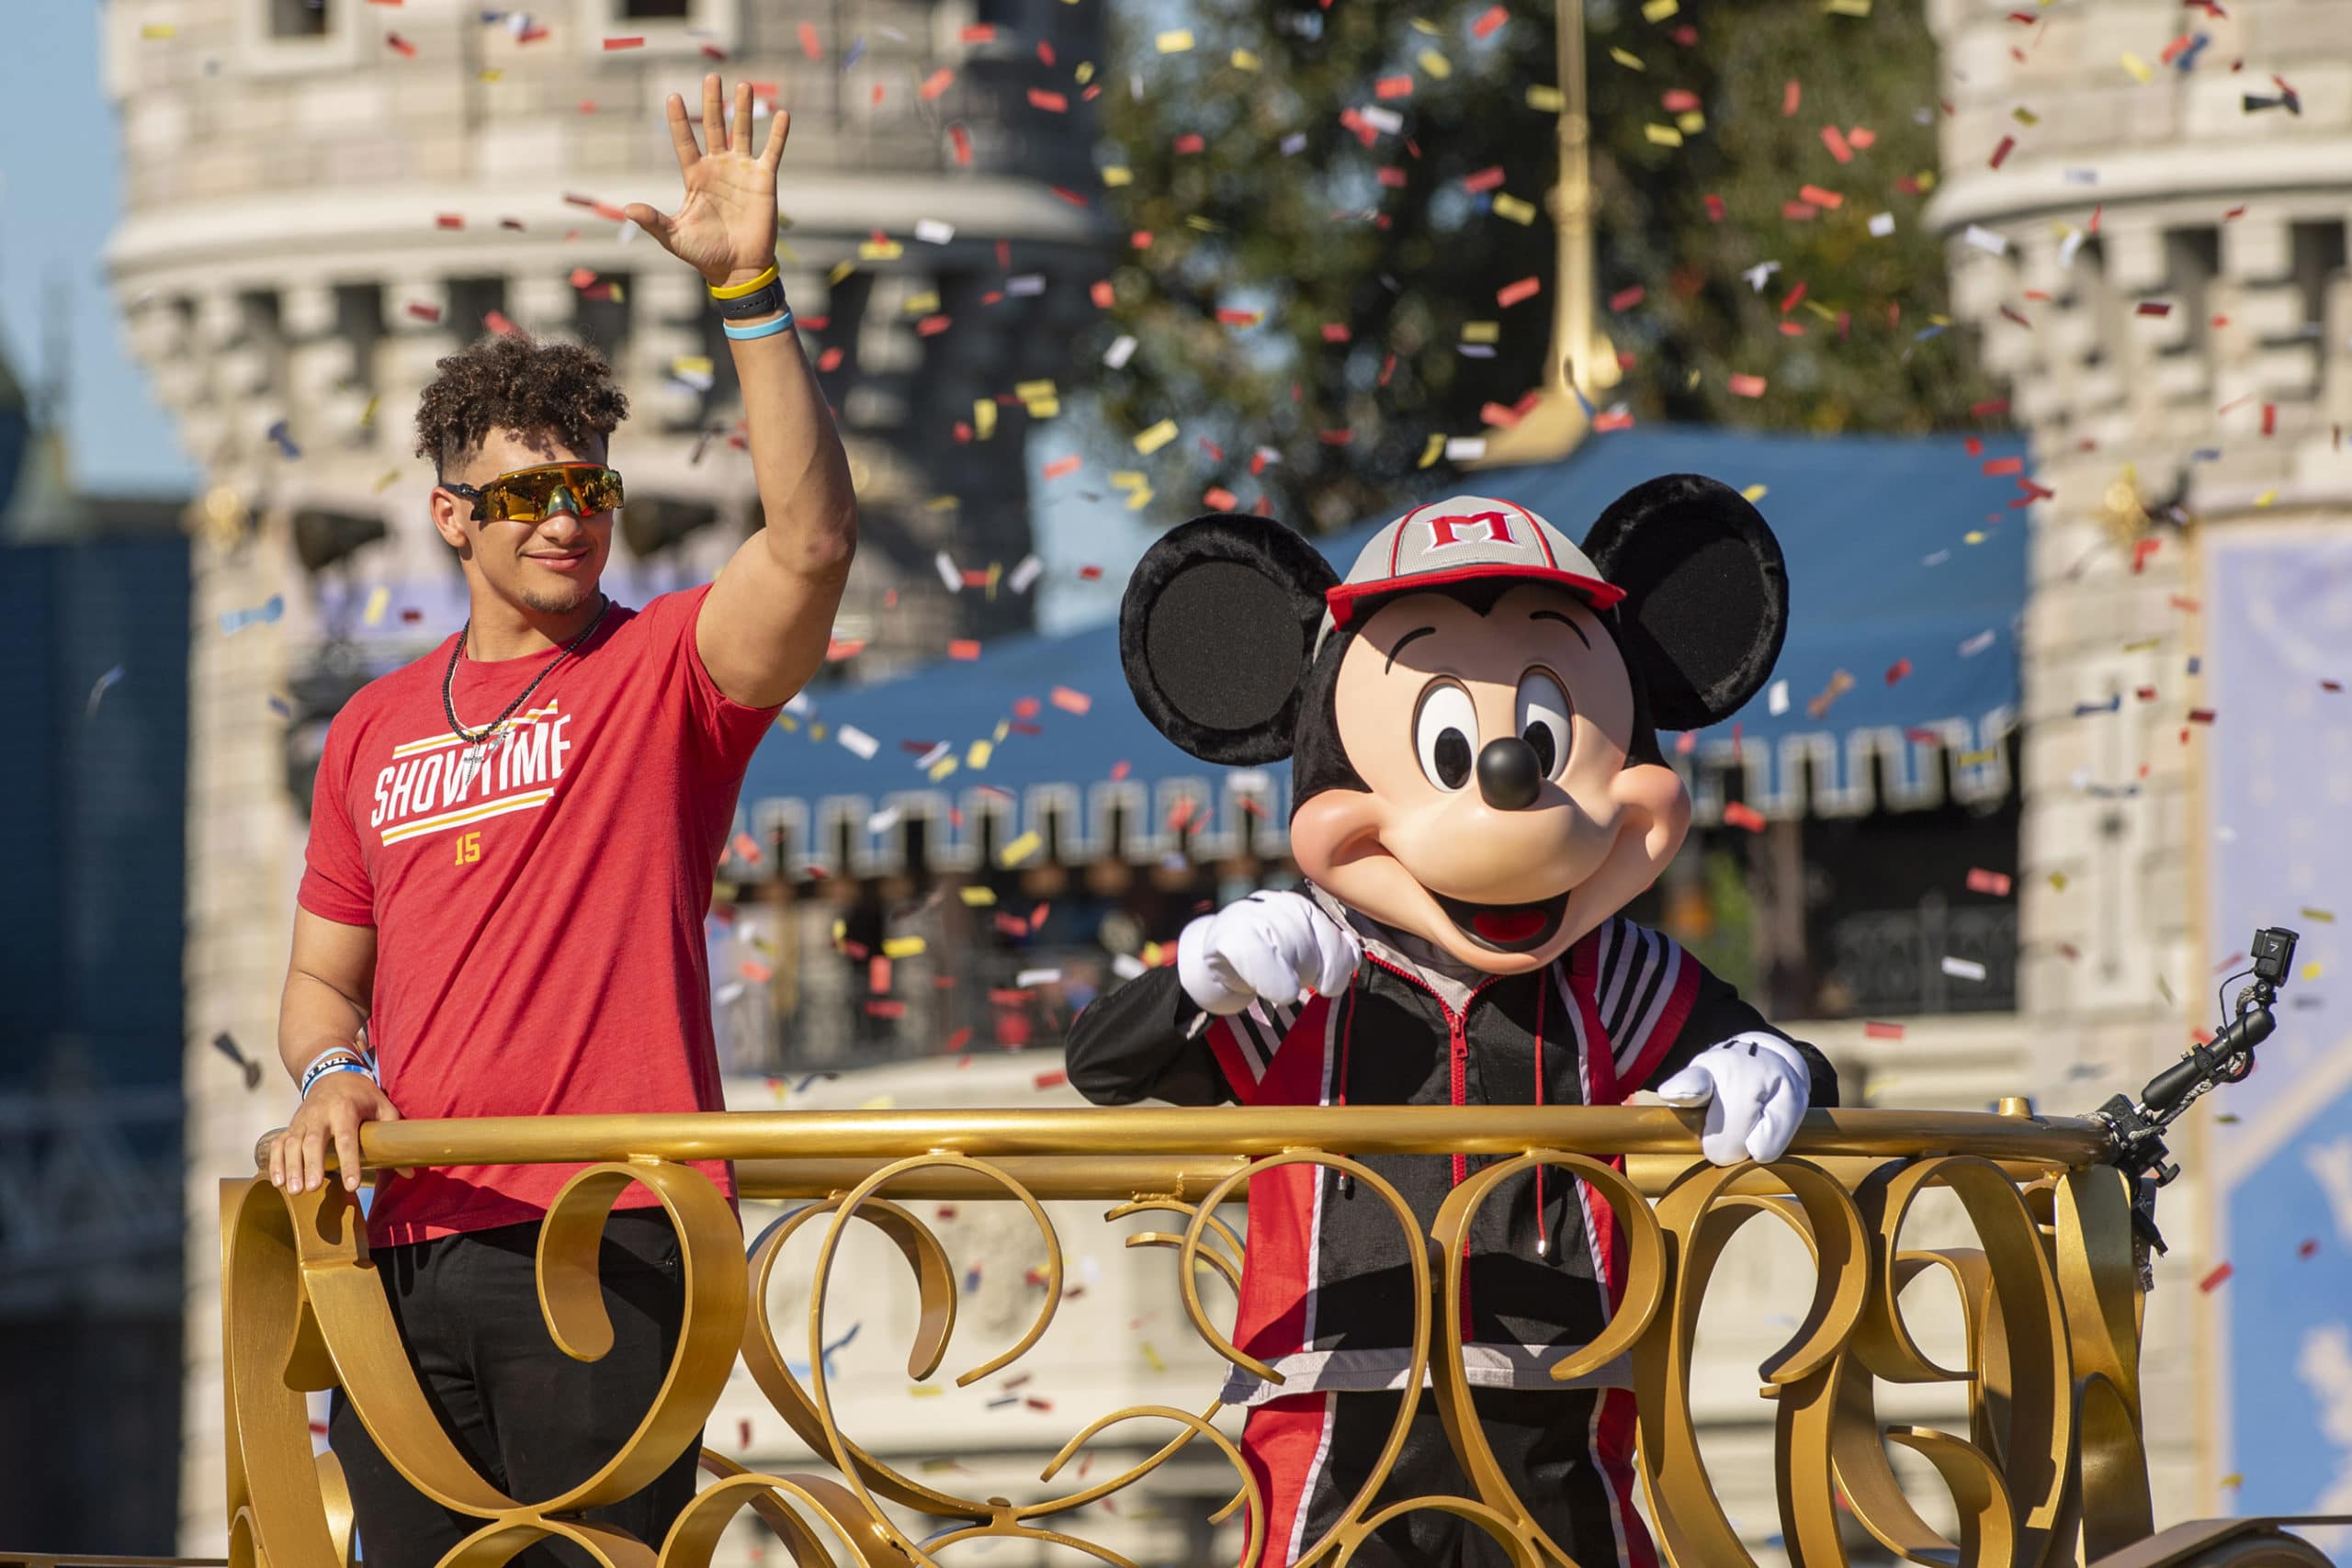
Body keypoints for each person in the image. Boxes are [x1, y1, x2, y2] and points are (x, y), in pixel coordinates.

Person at [260, 76, 854, 1563]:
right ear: (451, 515)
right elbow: (325, 981)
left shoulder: (668, 673)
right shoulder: (371, 726)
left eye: (590, 485)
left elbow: (814, 541)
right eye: (527, 492)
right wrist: (333, 1073)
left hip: (612, 1233)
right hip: (401, 1239)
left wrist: (752, 294)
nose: (568, 516)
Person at [1065, 485, 1838, 1567]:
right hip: (1335, 1400)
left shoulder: (1615, 972)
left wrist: (1770, 1063)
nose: (1509, 780)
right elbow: (1103, 1064)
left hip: (1559, 1393)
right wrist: (1199, 977)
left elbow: (1780, 1063)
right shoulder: (1301, 965)